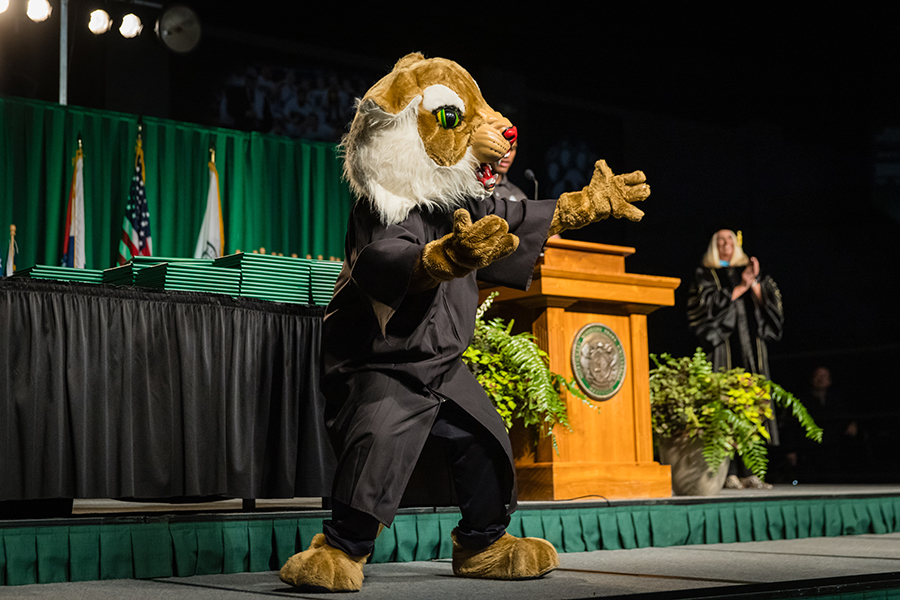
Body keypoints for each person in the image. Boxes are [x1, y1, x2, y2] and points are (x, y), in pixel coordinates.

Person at [687, 229, 784, 489]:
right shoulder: (705, 275)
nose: (726, 244)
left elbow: (772, 312)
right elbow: (703, 312)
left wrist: (753, 284)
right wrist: (740, 286)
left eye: (730, 239)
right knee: (725, 411)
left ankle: (751, 471)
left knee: (754, 409)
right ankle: (727, 472)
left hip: (752, 354)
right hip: (722, 353)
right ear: (713, 247)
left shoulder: (751, 272)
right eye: (720, 240)